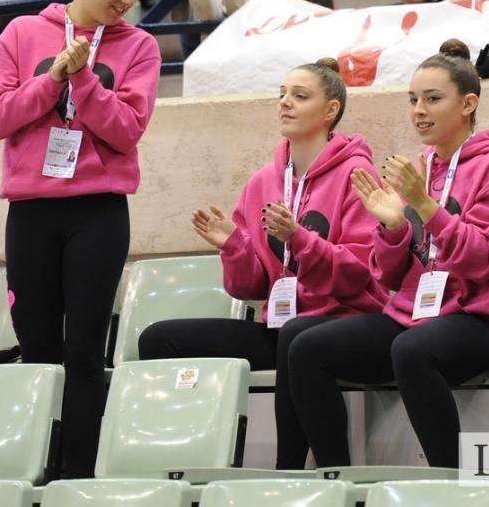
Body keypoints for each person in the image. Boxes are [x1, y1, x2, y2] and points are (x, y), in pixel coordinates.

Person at [288, 39, 489, 469]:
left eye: (433, 99)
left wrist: (424, 207)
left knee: (411, 350)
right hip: (414, 316)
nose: (419, 110)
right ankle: (337, 478)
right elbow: (386, 276)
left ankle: (449, 482)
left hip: (481, 320)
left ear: (468, 103)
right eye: (413, 100)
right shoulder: (422, 167)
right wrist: (393, 228)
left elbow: (483, 260)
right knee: (306, 345)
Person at [0, 0, 159, 478]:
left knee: (83, 351)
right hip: (31, 212)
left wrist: (85, 80)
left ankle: (78, 476)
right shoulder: (21, 33)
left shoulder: (141, 47)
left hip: (98, 214)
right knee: (36, 350)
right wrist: (53, 77)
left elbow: (127, 129)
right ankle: (35, 468)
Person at [138, 59, 386, 470]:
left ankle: (296, 471)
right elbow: (251, 287)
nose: (285, 104)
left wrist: (300, 240)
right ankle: (184, 464)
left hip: (342, 321)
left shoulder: (356, 173)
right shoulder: (263, 183)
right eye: (282, 95)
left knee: (297, 334)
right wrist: (233, 245)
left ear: (330, 111)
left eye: (300, 96)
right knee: (159, 339)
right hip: (283, 327)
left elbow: (360, 273)